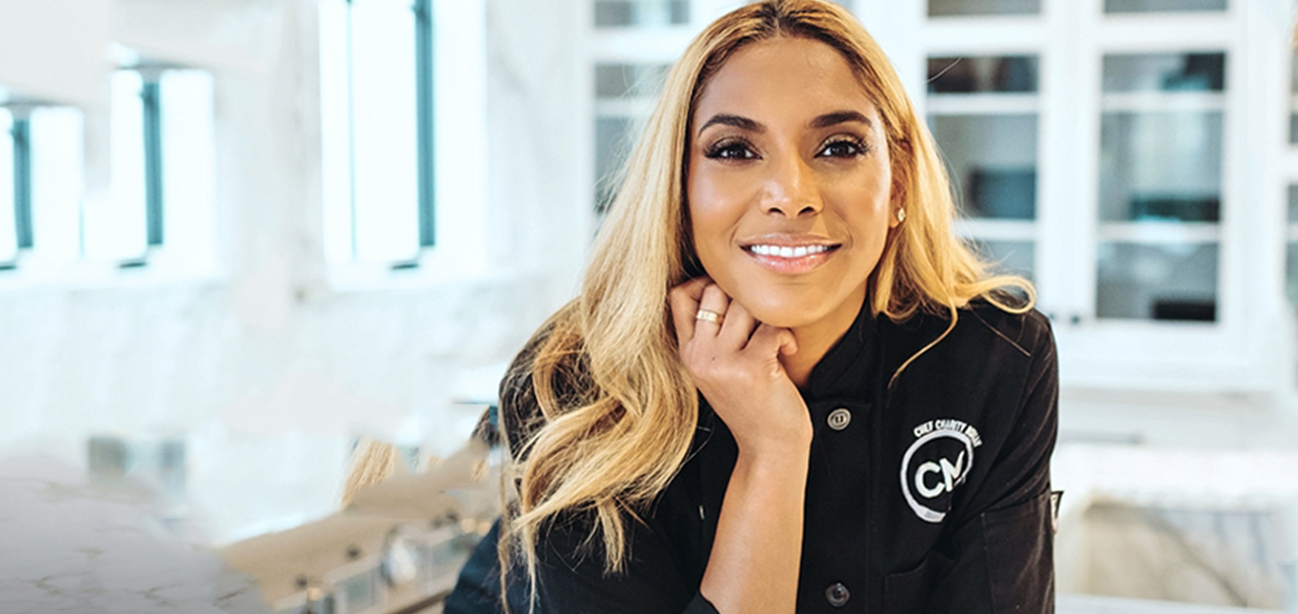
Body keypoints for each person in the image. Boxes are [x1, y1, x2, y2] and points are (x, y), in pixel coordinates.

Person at [445, 1, 1057, 612]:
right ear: (678, 187)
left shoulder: (997, 359)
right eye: (735, 150)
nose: (791, 196)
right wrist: (772, 451)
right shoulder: (575, 384)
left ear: (898, 182)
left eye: (838, 147)